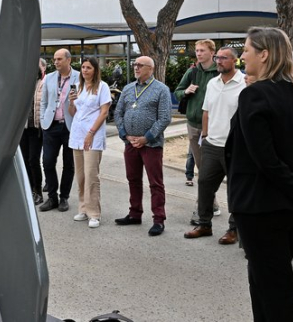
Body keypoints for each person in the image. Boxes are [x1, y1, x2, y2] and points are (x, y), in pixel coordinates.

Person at [227, 27, 293, 322]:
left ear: (264, 54)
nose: (242, 56)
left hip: (262, 207)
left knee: (276, 288)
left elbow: (265, 159)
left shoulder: (254, 95)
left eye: (247, 49)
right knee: (264, 278)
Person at [184, 46, 245, 245]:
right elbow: (206, 112)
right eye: (217, 58)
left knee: (234, 190)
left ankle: (234, 229)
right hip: (212, 143)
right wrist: (206, 135)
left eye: (224, 58)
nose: (218, 61)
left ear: (235, 61)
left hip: (235, 146)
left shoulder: (245, 83)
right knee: (205, 185)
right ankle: (204, 224)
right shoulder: (212, 83)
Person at [114, 56, 172, 236]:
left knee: (155, 183)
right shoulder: (128, 88)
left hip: (151, 144)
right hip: (130, 142)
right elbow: (118, 112)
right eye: (135, 65)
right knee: (133, 179)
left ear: (151, 68)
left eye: (140, 65)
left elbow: (164, 118)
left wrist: (146, 138)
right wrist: (124, 134)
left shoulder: (161, 90)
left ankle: (159, 219)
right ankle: (135, 213)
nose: (136, 67)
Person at [67, 57, 111, 228]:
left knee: (91, 175)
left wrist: (91, 132)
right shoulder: (78, 87)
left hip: (93, 135)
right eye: (83, 67)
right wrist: (71, 101)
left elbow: (104, 112)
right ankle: (83, 208)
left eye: (88, 68)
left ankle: (94, 213)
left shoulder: (102, 87)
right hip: (77, 135)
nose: (85, 70)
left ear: (95, 70)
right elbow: (72, 112)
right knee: (81, 176)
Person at [39, 48, 79, 212]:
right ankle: (52, 197)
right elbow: (44, 102)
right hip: (51, 125)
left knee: (69, 164)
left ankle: (64, 198)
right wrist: (43, 120)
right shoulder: (48, 78)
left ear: (68, 60)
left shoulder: (78, 77)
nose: (55, 62)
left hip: (70, 126)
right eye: (54, 59)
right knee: (47, 162)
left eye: (59, 59)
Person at [174, 40, 218, 187]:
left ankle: (208, 203)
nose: (198, 53)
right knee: (201, 166)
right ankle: (209, 203)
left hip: (213, 126)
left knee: (212, 166)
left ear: (212, 52)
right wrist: (186, 91)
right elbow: (177, 92)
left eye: (202, 50)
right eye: (197, 50)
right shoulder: (192, 71)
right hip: (193, 125)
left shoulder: (219, 71)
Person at [20, 58, 46, 205]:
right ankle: (29, 188)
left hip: (36, 128)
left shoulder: (42, 84)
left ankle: (38, 191)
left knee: (33, 159)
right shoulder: (22, 86)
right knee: (24, 159)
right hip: (22, 128)